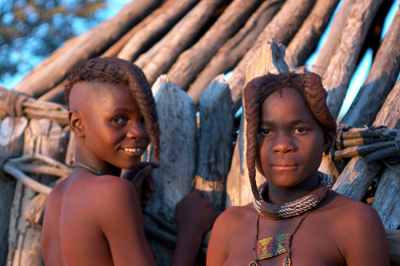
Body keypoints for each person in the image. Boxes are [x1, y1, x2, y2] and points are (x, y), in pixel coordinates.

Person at [41, 57, 217, 266]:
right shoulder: (112, 192)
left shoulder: (56, 196)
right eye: (119, 119)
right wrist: (191, 230)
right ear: (77, 124)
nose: (139, 132)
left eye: (144, 119)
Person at [206, 72, 390, 266]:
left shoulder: (354, 223)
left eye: (300, 130)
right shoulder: (229, 225)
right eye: (265, 132)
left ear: (325, 141)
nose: (282, 145)